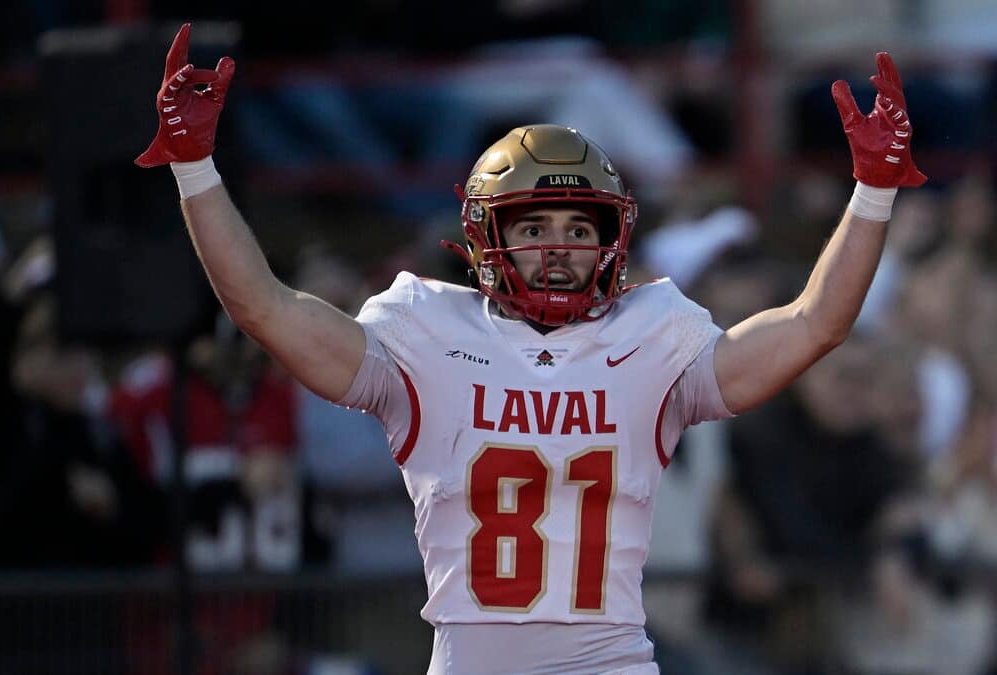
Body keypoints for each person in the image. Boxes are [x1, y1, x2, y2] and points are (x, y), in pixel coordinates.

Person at [134, 24, 927, 675]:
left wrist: (873, 189)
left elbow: (816, 324)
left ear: (612, 241)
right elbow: (261, 308)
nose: (557, 247)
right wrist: (196, 167)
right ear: (487, 238)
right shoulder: (424, 327)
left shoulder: (653, 334)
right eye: (533, 225)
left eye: (579, 228)